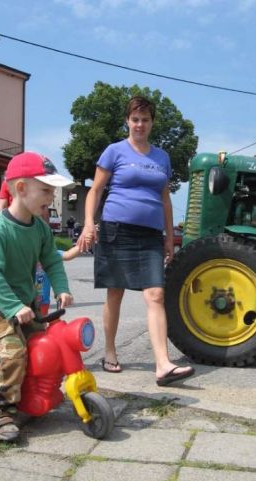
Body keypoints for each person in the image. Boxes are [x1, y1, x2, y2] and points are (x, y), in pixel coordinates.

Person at [78, 96, 194, 386]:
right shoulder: (114, 151)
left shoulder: (162, 158)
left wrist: (169, 237)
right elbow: (95, 191)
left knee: (155, 294)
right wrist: (89, 224)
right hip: (117, 230)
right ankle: (110, 350)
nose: (140, 124)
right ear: (128, 121)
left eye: (145, 119)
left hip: (150, 235)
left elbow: (165, 200)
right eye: (135, 119)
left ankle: (163, 364)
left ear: (152, 123)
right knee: (114, 292)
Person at [0, 151, 74, 441]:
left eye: (52, 190)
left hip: (26, 302)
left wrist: (62, 288)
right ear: (20, 188)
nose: (51, 196)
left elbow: (53, 261)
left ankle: (34, 392)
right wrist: (13, 306)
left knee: (43, 345)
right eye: (45, 190)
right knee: (14, 352)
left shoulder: (41, 229)